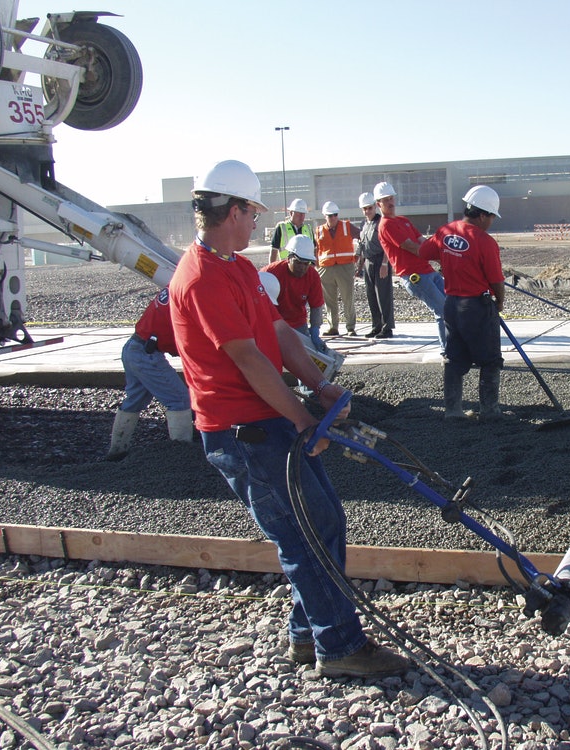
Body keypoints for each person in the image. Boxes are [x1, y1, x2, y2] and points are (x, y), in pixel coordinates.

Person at [169, 160, 407, 677]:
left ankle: (308, 635)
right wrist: (302, 418)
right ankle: (341, 648)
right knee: (303, 535)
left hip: (270, 420)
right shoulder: (203, 276)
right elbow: (248, 359)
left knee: (325, 522)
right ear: (232, 210)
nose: (256, 221)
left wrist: (320, 386)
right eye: (251, 212)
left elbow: (277, 335)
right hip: (245, 432)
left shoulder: (234, 265)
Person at [419, 186, 505, 421]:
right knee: (490, 360)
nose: (491, 223)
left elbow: (424, 252)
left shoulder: (445, 231)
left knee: (455, 358)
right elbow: (496, 280)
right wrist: (500, 302)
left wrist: (449, 259)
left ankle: (453, 411)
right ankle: (489, 412)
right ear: (482, 215)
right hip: (476, 307)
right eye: (491, 218)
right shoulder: (485, 241)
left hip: (451, 306)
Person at [106, 288, 192, 460]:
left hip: (134, 346)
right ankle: (183, 457)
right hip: (146, 354)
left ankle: (117, 451)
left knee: (135, 400)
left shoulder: (177, 287)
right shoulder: (192, 293)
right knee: (180, 400)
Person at [374, 181, 447, 352]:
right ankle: (447, 352)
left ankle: (456, 348)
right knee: (442, 310)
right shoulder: (386, 225)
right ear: (379, 204)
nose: (391, 202)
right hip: (415, 276)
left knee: (451, 306)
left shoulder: (403, 220)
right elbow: (411, 246)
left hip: (428, 271)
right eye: (386, 200)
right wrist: (439, 258)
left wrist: (440, 252)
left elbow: (422, 241)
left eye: (391, 198)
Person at [260, 234, 327, 351]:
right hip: (273, 324)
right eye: (298, 262)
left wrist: (315, 331)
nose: (302, 267)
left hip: (298, 324)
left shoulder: (312, 276)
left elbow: (316, 306)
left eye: (306, 264)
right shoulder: (271, 273)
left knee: (304, 357)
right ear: (289, 257)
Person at [315, 201, 359, 336]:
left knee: (348, 298)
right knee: (329, 300)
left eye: (335, 215)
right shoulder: (318, 230)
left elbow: (363, 238)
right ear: (325, 216)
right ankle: (333, 327)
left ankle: (350, 327)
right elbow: (315, 249)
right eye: (330, 215)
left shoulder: (347, 226)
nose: (333, 218)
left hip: (345, 267)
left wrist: (357, 256)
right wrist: (317, 265)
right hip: (326, 269)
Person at [355, 191, 394, 339]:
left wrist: (384, 263)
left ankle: (387, 327)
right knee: (371, 296)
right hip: (368, 262)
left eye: (369, 208)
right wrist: (359, 266)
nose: (367, 211)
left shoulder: (381, 222)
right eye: (364, 208)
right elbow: (363, 245)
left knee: (383, 295)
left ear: (375, 207)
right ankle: (376, 326)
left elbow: (387, 245)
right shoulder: (364, 224)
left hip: (380, 261)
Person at [268, 198, 316, 265]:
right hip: (286, 269)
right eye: (299, 214)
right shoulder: (281, 228)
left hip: (305, 269)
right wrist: (272, 269)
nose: (301, 217)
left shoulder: (308, 229)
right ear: (291, 213)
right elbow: (274, 250)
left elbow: (314, 249)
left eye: (303, 214)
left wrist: (313, 266)